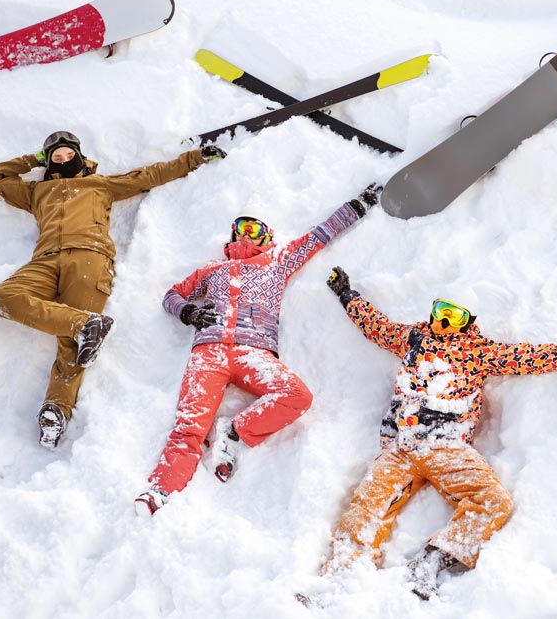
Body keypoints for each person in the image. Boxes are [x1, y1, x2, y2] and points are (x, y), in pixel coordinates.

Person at [316, 267, 557, 599]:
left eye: (454, 316)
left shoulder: (478, 352)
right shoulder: (412, 338)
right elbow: (376, 327)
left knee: (494, 502)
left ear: (468, 320)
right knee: (367, 506)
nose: (443, 322)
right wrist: (347, 294)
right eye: (440, 312)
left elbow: (529, 357)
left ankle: (432, 561)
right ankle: (340, 579)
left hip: (446, 448)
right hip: (402, 447)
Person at [134, 184, 383, 517]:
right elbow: (173, 295)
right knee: (189, 427)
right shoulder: (212, 270)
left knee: (297, 396)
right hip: (209, 353)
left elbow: (318, 236)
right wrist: (188, 312)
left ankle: (234, 431)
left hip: (254, 352)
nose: (246, 236)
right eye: (240, 229)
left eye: (254, 229)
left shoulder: (278, 264)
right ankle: (160, 489)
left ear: (269, 238)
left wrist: (357, 205)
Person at [0, 131, 224, 448]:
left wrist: (196, 158)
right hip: (44, 261)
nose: (64, 160)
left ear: (80, 156)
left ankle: (56, 409)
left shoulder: (100, 185)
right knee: (4, 299)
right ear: (48, 163)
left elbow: (149, 176)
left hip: (89, 259)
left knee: (71, 345)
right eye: (56, 157)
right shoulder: (35, 192)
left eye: (69, 154)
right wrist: (33, 159)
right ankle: (85, 324)